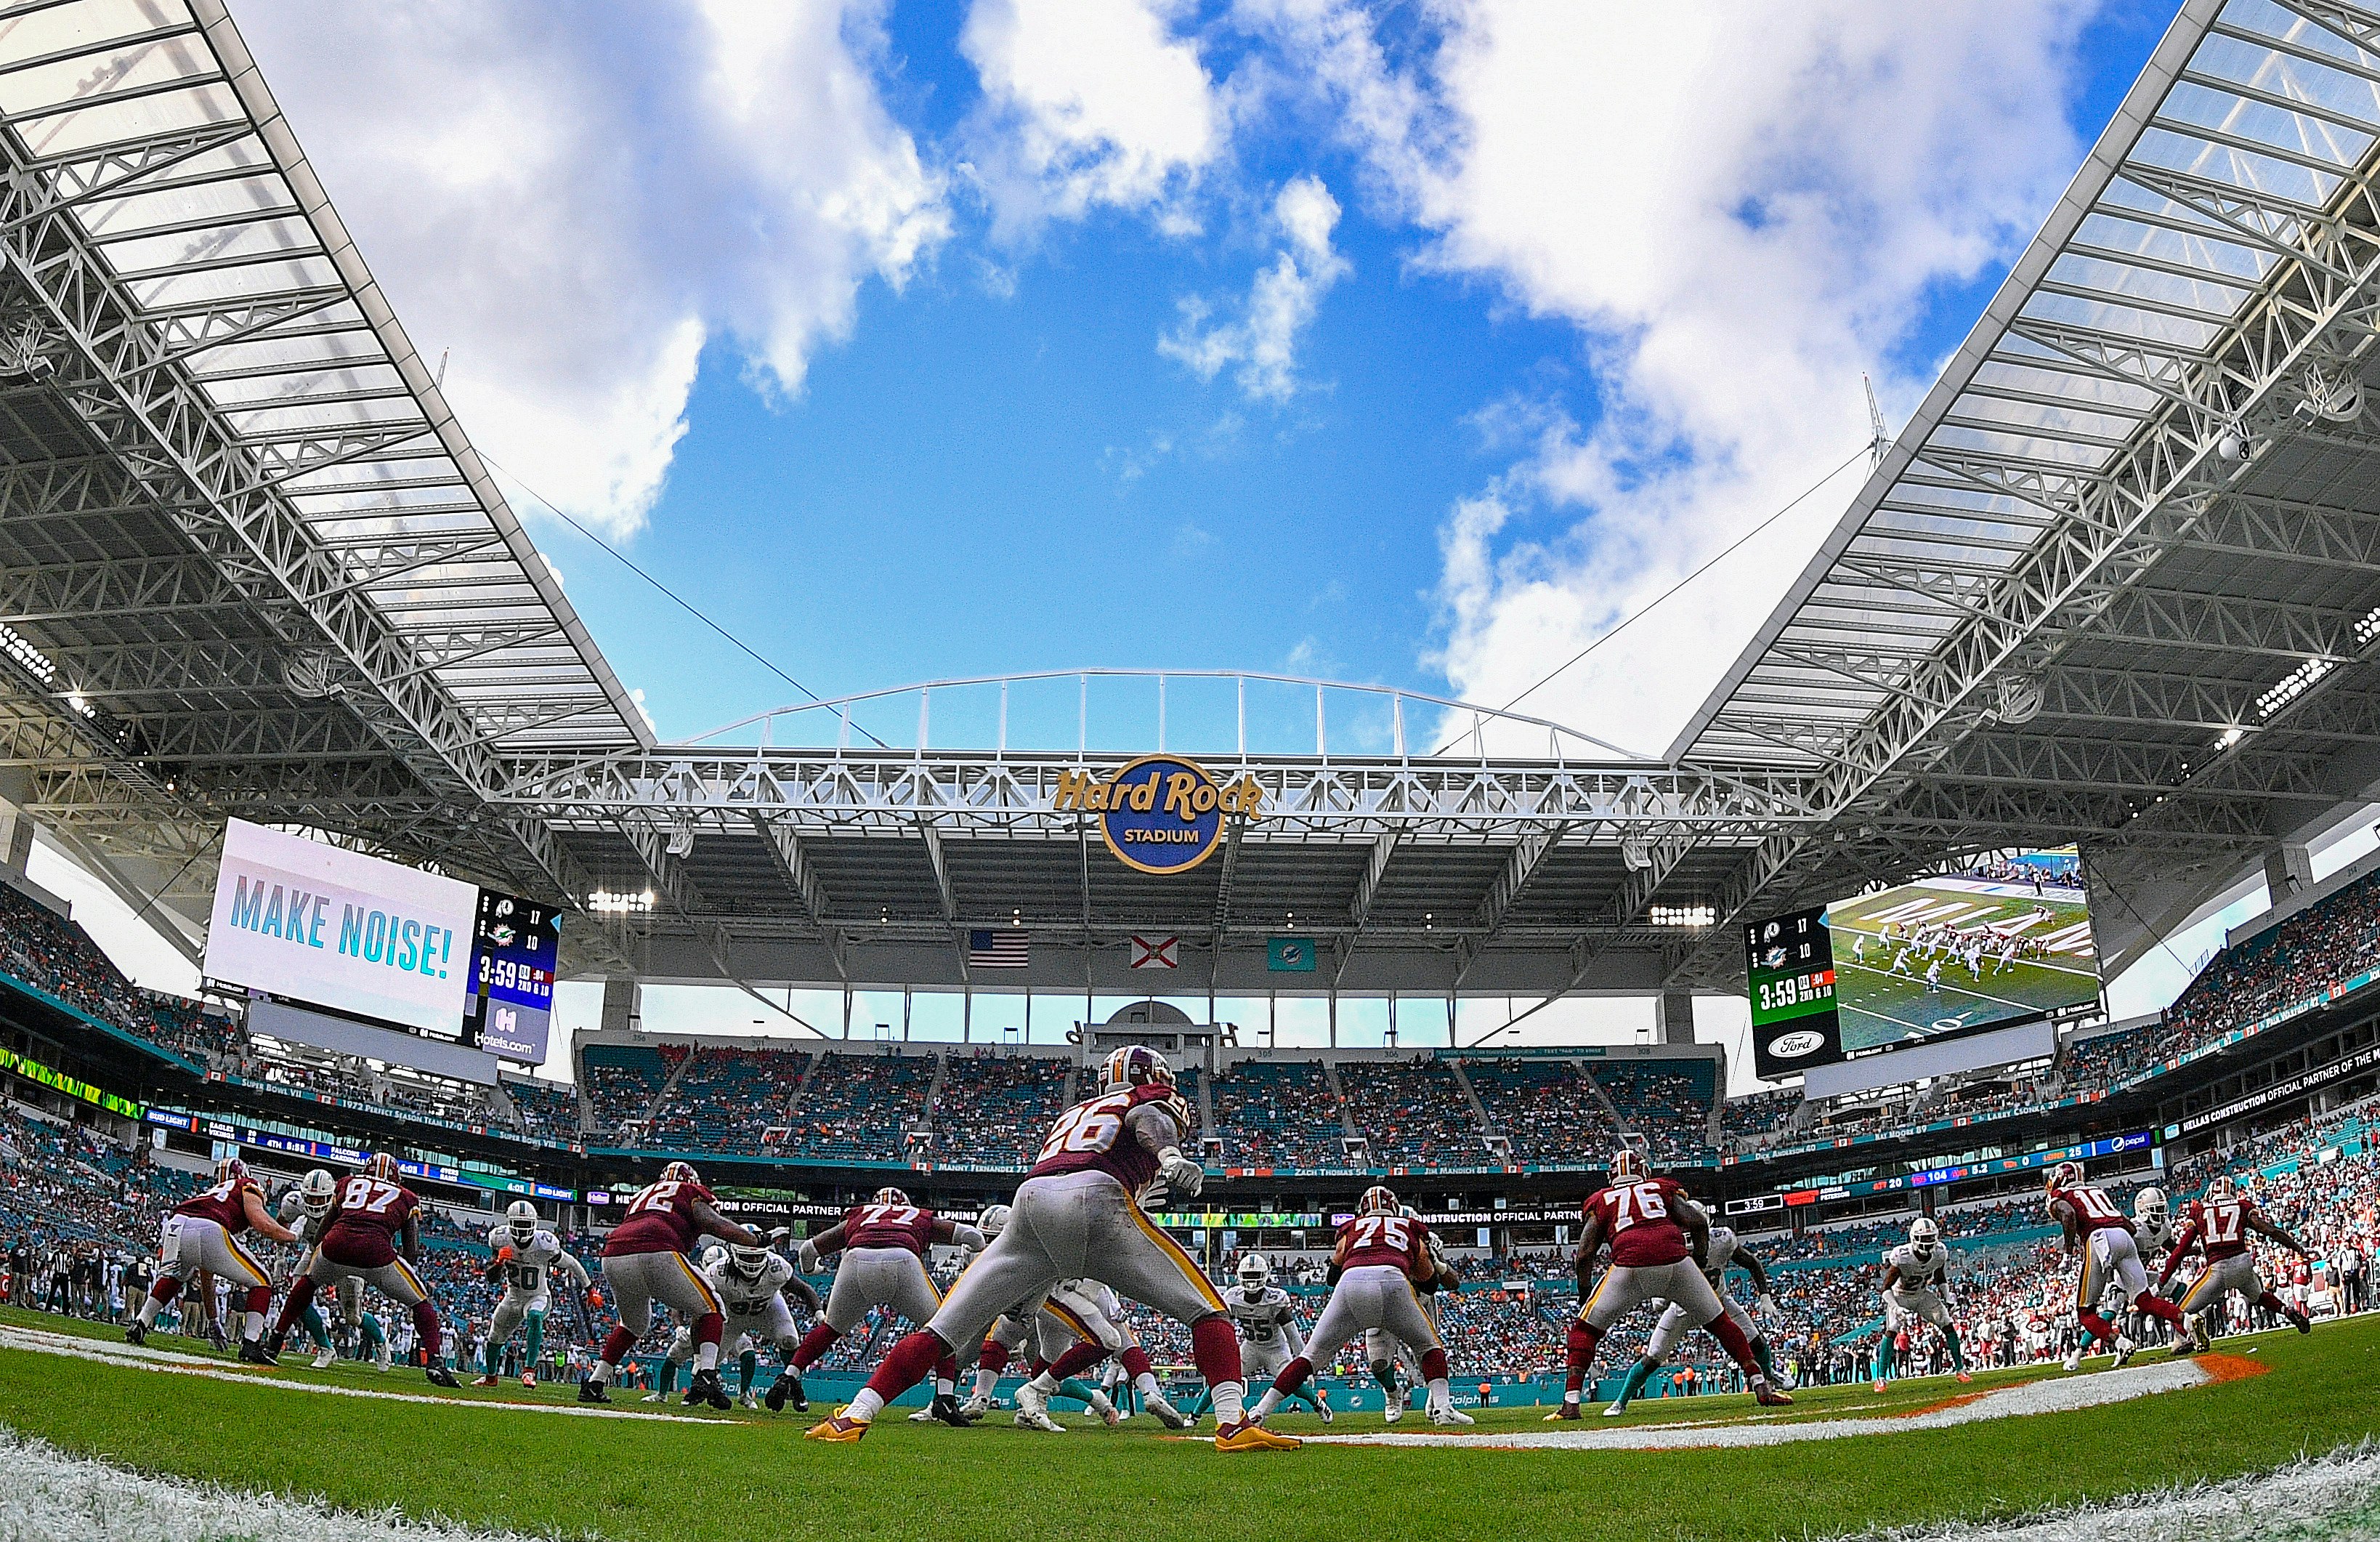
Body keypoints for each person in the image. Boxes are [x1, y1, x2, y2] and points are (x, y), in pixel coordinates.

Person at [804, 1044, 1296, 1451]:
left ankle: (854, 1415)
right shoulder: (1153, 1097)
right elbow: (1148, 1117)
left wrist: (1140, 1183)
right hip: (1097, 1199)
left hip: (1032, 1201)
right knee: (1210, 1310)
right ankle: (1232, 1423)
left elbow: (1095, 1148)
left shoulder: (1076, 1110)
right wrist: (1168, 1153)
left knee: (944, 1329)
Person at [1548, 1147, 1789, 1420]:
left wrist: (1584, 1293)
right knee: (1723, 1325)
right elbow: (1697, 1222)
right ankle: (1761, 1386)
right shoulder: (1661, 1188)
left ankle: (1571, 1403)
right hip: (1676, 1263)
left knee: (1584, 1332)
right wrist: (1697, 1259)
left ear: (1611, 1176)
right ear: (1644, 1172)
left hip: (1630, 1266)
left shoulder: (1602, 1199)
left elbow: (1584, 1254)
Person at [1247, 1185, 1466, 1426]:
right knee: (1428, 1347)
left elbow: (1332, 1276)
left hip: (1351, 1283)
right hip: (1394, 1285)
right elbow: (1430, 1284)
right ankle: (1443, 1409)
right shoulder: (1409, 1228)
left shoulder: (1352, 1228)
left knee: (1311, 1356)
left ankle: (1260, 1411)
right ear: (1395, 1208)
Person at [787, 1187, 983, 1426]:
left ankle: (789, 1375)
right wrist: (975, 1257)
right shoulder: (917, 1216)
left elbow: (807, 1250)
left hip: (855, 1262)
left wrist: (811, 1271)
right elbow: (974, 1237)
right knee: (942, 1329)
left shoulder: (859, 1214)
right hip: (903, 1261)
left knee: (831, 1328)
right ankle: (945, 1398)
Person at [579, 1160, 760, 1408]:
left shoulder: (641, 1195)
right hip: (658, 1248)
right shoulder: (689, 1191)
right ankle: (706, 1374)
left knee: (633, 1324)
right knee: (712, 1306)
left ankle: (595, 1383)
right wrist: (751, 1238)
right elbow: (712, 1222)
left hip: (614, 1254)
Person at [268, 1153, 458, 1387]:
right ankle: (435, 1361)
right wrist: (398, 1273)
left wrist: (321, 1256)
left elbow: (325, 1227)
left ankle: (274, 1341)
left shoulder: (348, 1183)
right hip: (375, 1252)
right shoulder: (407, 1197)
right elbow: (412, 1250)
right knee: (421, 1303)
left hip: (334, 1245)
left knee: (306, 1286)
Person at [1607, 1208, 1784, 1414]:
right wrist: (1661, 1293)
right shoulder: (1670, 1246)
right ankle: (1620, 1401)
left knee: (1754, 1340)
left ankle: (1769, 1380)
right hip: (1683, 1306)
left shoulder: (1722, 1240)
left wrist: (1765, 1296)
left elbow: (1751, 1262)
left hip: (1717, 1300)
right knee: (1653, 1357)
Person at [127, 1156, 296, 1363]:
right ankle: (251, 1344)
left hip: (175, 1226)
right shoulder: (247, 1185)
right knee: (262, 1281)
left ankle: (140, 1323)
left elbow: (207, 1276)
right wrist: (294, 1236)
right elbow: (264, 1225)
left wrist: (213, 1320)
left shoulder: (210, 1195)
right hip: (208, 1227)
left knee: (177, 1275)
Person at [2044, 1160, 2187, 1371]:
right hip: (2124, 1246)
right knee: (2141, 1301)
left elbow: (2069, 1214)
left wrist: (2069, 1252)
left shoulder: (2061, 1196)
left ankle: (2121, 1342)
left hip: (2102, 1242)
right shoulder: (2097, 1191)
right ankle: (2186, 1320)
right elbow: (2126, 1225)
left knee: (2086, 1312)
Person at [652, 1240, 819, 1408]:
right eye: (748, 1257)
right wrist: (683, 1330)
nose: (753, 1262)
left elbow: (804, 1289)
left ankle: (793, 1383)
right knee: (710, 1362)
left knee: (790, 1339)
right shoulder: (717, 1273)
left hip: (767, 1310)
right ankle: (694, 1391)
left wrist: (819, 1313)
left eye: (757, 1257)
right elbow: (692, 1304)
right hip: (731, 1319)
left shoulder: (777, 1266)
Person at [2160, 1173, 2315, 1349]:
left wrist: (2162, 1281)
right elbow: (2269, 1230)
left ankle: (2187, 1338)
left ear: (2211, 1193)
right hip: (2242, 1264)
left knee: (2179, 1312)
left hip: (2217, 1269)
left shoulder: (2199, 1211)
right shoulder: (2242, 1206)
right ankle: (2288, 1311)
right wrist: (2298, 1249)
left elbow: (2181, 1251)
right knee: (2259, 1296)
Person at [475, 1200, 592, 1389]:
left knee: (535, 1315)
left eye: (525, 1224)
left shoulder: (544, 1244)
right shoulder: (500, 1239)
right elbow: (491, 1279)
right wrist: (498, 1262)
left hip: (538, 1296)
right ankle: (490, 1378)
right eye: (518, 1224)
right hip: (513, 1297)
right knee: (495, 1336)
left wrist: (590, 1289)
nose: (522, 1229)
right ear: (510, 1223)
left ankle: (529, 1371)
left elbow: (571, 1263)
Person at [1224, 1254, 1330, 1423]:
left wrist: (1304, 1366)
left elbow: (1293, 1335)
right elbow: (1226, 1330)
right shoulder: (1233, 1298)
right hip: (1251, 1347)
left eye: (1255, 1275)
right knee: (1225, 1377)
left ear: (1265, 1275)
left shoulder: (1275, 1299)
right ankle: (1195, 1415)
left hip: (1276, 1349)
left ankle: (1318, 1404)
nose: (1251, 1280)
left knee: (1291, 1382)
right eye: (1248, 1275)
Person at [1871, 1216, 1970, 1389]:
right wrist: (1896, 1307)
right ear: (1914, 1238)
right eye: (1924, 1238)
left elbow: (1940, 1276)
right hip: (1900, 1295)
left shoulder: (1939, 1253)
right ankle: (1881, 1378)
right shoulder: (1903, 1256)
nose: (1928, 1242)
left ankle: (1961, 1370)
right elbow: (1885, 1288)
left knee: (1947, 1324)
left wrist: (1947, 1295)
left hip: (1922, 1294)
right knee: (1892, 1329)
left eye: (1931, 1237)